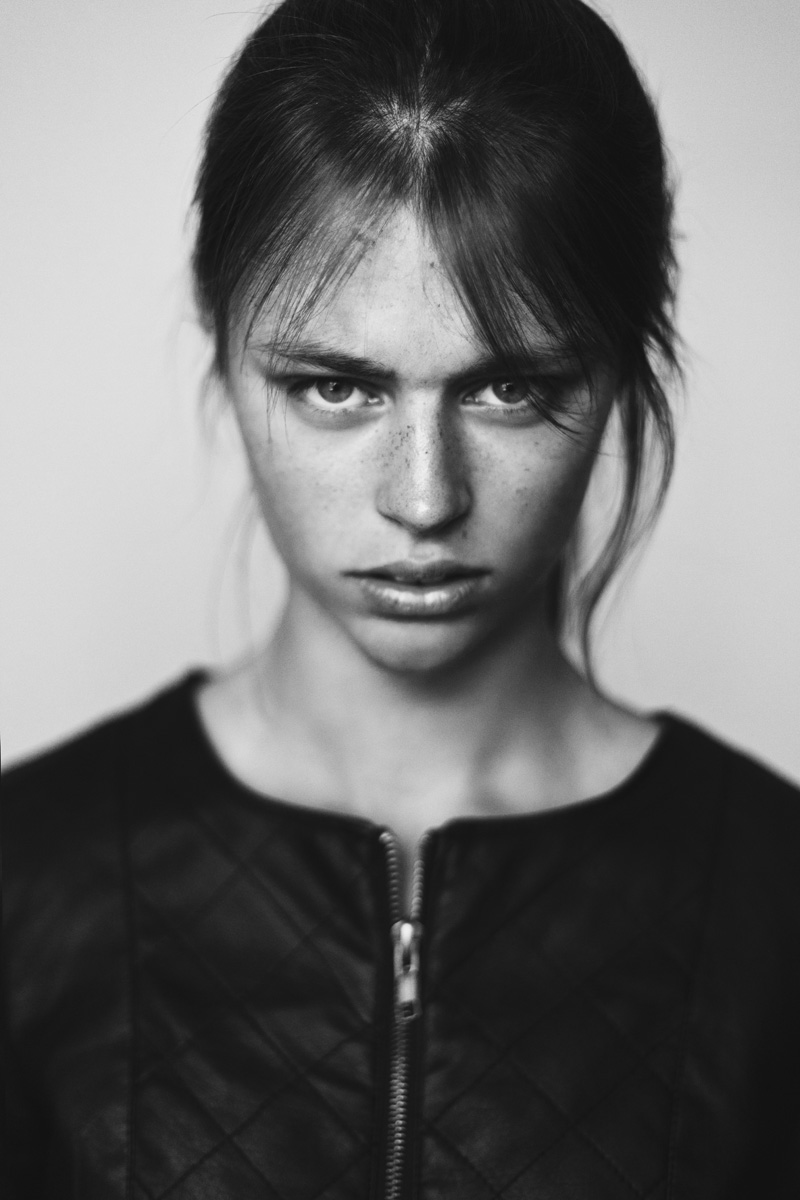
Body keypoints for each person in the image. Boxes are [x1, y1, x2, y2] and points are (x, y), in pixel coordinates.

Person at [3, 0, 799, 1196]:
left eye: (509, 388)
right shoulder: (24, 878)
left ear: (624, 361)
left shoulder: (775, 910)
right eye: (335, 387)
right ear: (219, 338)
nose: (423, 500)